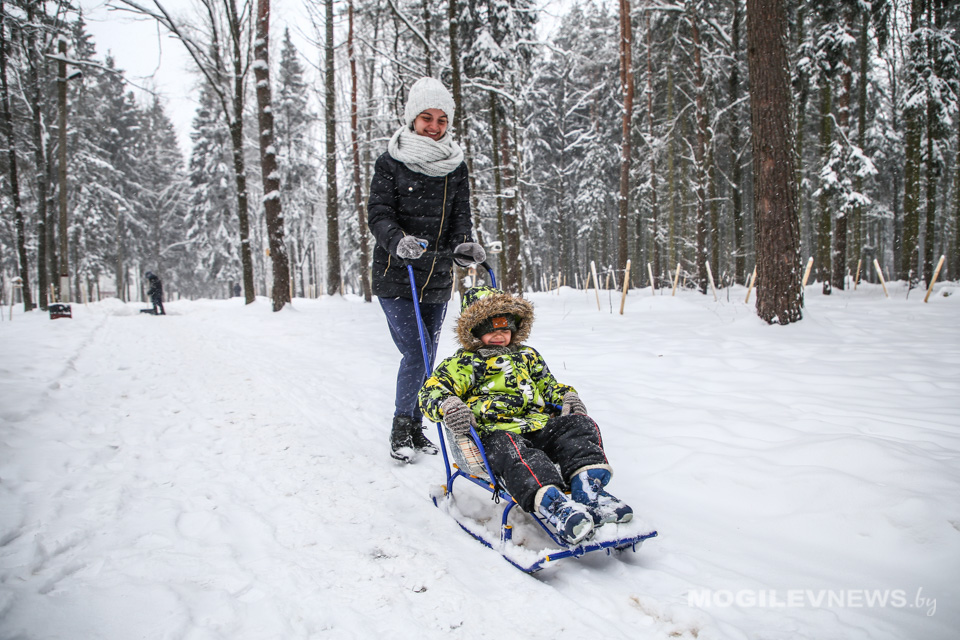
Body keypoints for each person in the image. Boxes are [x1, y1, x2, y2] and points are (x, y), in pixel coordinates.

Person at [418, 286, 633, 545]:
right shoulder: (464, 363)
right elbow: (431, 391)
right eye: (490, 329)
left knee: (579, 425)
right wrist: (449, 405)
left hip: (537, 426)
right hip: (495, 434)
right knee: (516, 452)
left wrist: (566, 396)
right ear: (474, 331)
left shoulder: (528, 356)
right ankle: (553, 502)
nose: (499, 335)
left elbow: (548, 386)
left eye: (505, 328)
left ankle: (589, 489)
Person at [367, 77, 485, 463]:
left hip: (435, 273)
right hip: (395, 271)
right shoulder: (390, 161)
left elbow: (460, 216)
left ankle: (416, 428)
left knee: (429, 353)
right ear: (412, 118)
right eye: (426, 118)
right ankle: (402, 428)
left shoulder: (456, 166)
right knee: (417, 352)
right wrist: (396, 239)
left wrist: (463, 243)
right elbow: (379, 213)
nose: (434, 127)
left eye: (441, 120)